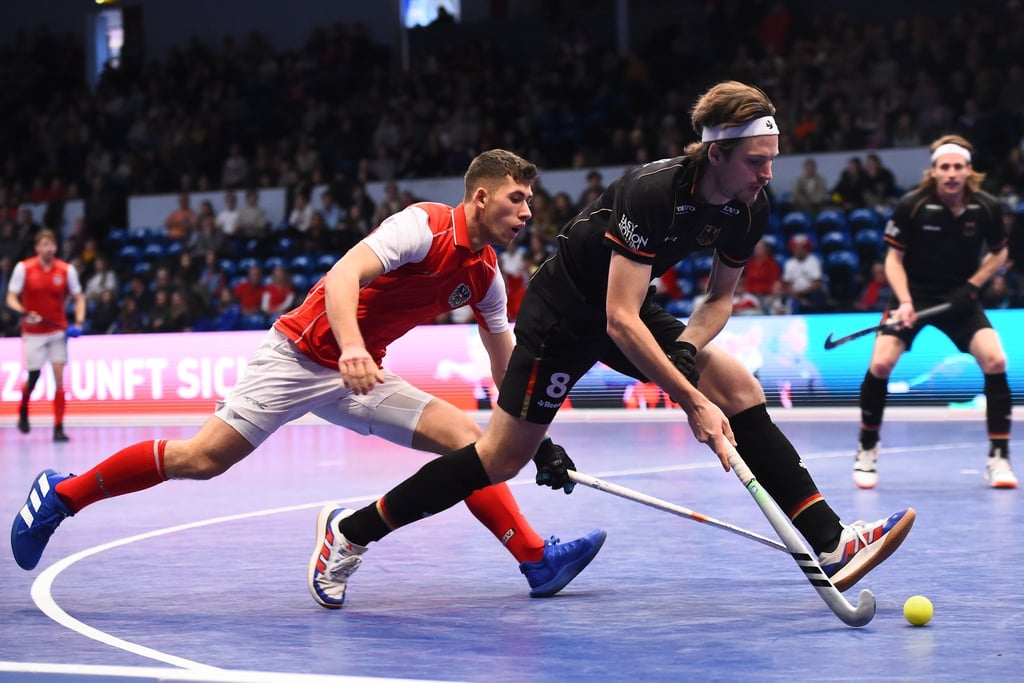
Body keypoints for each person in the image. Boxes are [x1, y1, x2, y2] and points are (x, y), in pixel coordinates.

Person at [305, 81, 915, 604]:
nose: (768, 173)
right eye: (756, 160)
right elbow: (619, 320)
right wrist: (690, 400)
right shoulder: (650, 193)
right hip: (563, 315)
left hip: (625, 306)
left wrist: (687, 356)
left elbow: (718, 299)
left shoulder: (747, 205)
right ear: (717, 152)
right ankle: (353, 530)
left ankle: (832, 542)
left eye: (771, 158)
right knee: (499, 459)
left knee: (735, 385)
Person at [11, 150, 605, 610]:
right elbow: (345, 275)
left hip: (360, 374)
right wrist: (349, 346)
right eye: (518, 199)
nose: (528, 212)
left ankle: (534, 557)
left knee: (472, 446)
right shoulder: (422, 226)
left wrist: (536, 441)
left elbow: (508, 367)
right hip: (298, 356)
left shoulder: (486, 277)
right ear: (481, 197)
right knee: (202, 458)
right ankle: (62, 495)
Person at [853, 134, 1016, 490]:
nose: (952, 173)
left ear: (969, 171)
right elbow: (893, 259)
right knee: (880, 363)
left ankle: (999, 457)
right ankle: (867, 449)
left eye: (958, 166)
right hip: (912, 296)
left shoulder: (987, 207)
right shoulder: (912, 205)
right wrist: (906, 302)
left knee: (996, 360)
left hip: (961, 298)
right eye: (945, 167)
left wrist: (973, 287)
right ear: (934, 172)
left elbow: (999, 253)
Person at [5, 229, 86, 442]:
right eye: (45, 245)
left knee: (59, 378)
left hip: (57, 331)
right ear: (37, 247)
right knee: (33, 377)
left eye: (52, 245)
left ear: (55, 247)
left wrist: (79, 321)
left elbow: (79, 298)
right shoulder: (24, 268)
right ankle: (23, 409)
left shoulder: (66, 270)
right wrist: (22, 312)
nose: (49, 249)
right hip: (32, 333)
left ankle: (58, 428)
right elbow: (11, 297)